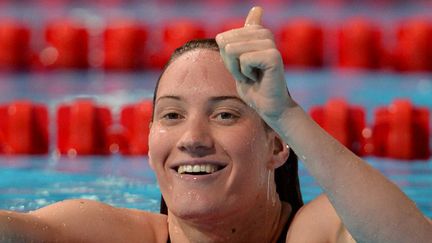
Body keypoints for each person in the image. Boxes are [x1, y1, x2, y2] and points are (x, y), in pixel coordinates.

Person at [1, 6, 431, 243]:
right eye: (171, 115)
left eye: (225, 114)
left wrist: (287, 114)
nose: (192, 139)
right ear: (150, 143)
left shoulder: (313, 232)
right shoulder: (117, 236)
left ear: (277, 146)